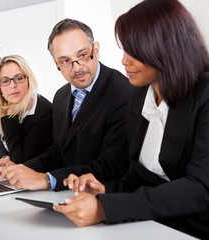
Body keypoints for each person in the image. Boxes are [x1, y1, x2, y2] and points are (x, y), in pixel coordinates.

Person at [54, 1, 209, 239]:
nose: (124, 61)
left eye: (134, 51)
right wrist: (104, 190)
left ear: (166, 47)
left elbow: (200, 188)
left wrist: (106, 208)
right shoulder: (139, 97)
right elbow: (139, 177)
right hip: (151, 226)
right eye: (124, 50)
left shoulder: (205, 95)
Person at [0, 19, 133, 191]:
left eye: (82, 55)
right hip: (66, 194)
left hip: (103, 198)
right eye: (65, 61)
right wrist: (21, 170)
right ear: (55, 63)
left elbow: (110, 166)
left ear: (96, 50)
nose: (77, 67)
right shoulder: (61, 96)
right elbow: (58, 151)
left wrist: (48, 179)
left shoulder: (123, 94)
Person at [0, 55, 53, 165]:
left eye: (19, 78)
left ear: (29, 80)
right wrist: (4, 157)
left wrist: (10, 119)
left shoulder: (44, 112)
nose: (13, 85)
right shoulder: (9, 107)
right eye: (5, 81)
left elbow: (21, 162)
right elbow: (5, 147)